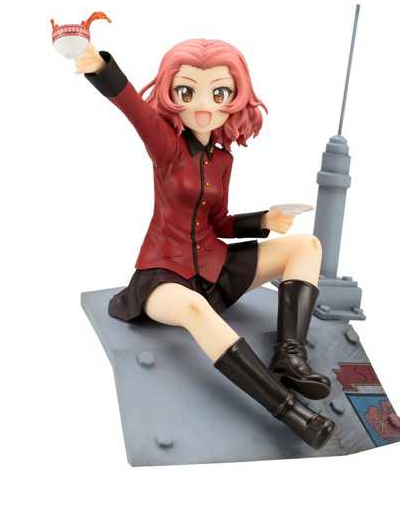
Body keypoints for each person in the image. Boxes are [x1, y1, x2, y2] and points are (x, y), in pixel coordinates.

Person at [74, 38, 335, 449]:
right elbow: (133, 108)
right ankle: (291, 412)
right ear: (171, 95)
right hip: (164, 275)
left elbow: (219, 222)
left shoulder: (222, 160)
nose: (202, 105)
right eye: (186, 91)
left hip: (215, 268)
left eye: (219, 93)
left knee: (307, 247)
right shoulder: (166, 147)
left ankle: (290, 356)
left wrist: (263, 220)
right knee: (195, 309)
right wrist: (99, 67)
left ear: (235, 99)